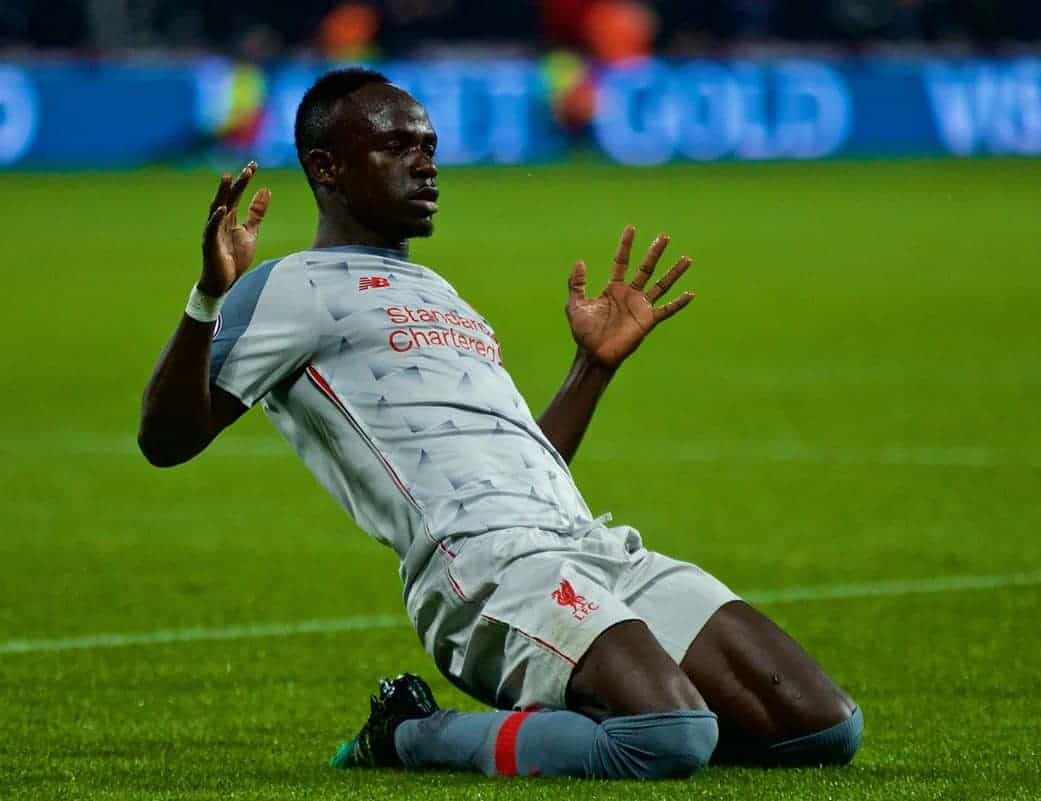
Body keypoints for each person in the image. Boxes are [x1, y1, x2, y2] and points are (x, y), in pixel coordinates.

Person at [138, 67, 862, 780]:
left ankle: (589, 718)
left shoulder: (442, 294)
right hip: (482, 571)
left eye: (430, 147)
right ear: (326, 168)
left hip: (587, 544)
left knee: (825, 724)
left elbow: (530, 460)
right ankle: (412, 735)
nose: (426, 164)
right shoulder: (290, 288)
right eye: (398, 147)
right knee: (668, 734)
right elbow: (166, 441)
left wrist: (593, 368)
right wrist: (208, 297)